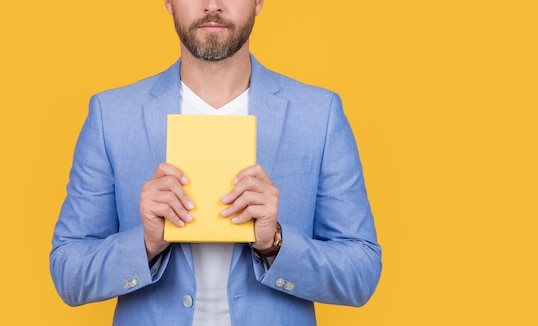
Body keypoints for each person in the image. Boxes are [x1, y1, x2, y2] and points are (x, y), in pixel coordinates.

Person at [50, 0, 382, 325]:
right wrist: (145, 243)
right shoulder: (112, 117)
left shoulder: (318, 116)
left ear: (258, 2)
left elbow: (361, 272)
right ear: (168, 2)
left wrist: (275, 244)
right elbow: (68, 272)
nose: (212, 4)